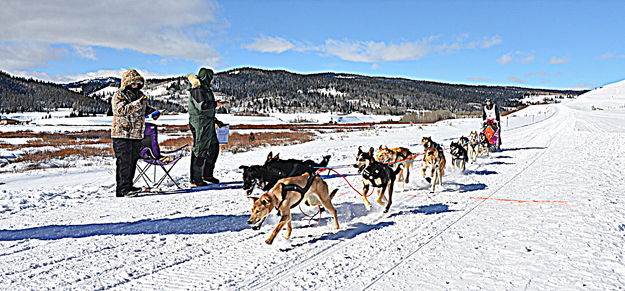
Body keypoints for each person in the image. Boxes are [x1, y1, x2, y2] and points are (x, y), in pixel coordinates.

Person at [111, 69, 159, 197]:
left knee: (132, 160)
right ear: (126, 83)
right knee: (123, 162)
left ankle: (129, 186)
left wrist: (152, 111)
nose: (135, 86)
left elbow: (142, 109)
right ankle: (122, 189)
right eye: (132, 83)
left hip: (136, 134)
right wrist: (139, 104)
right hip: (122, 134)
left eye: (138, 83)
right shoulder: (119, 95)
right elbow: (120, 110)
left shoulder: (139, 95)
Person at [187, 68, 224, 187]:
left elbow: (207, 109)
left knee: (213, 147)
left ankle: (207, 174)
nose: (212, 80)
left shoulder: (205, 89)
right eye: (210, 77)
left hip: (208, 123)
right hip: (200, 124)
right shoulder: (197, 90)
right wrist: (216, 104)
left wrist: (216, 121)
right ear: (206, 77)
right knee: (200, 149)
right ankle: (196, 178)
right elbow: (202, 106)